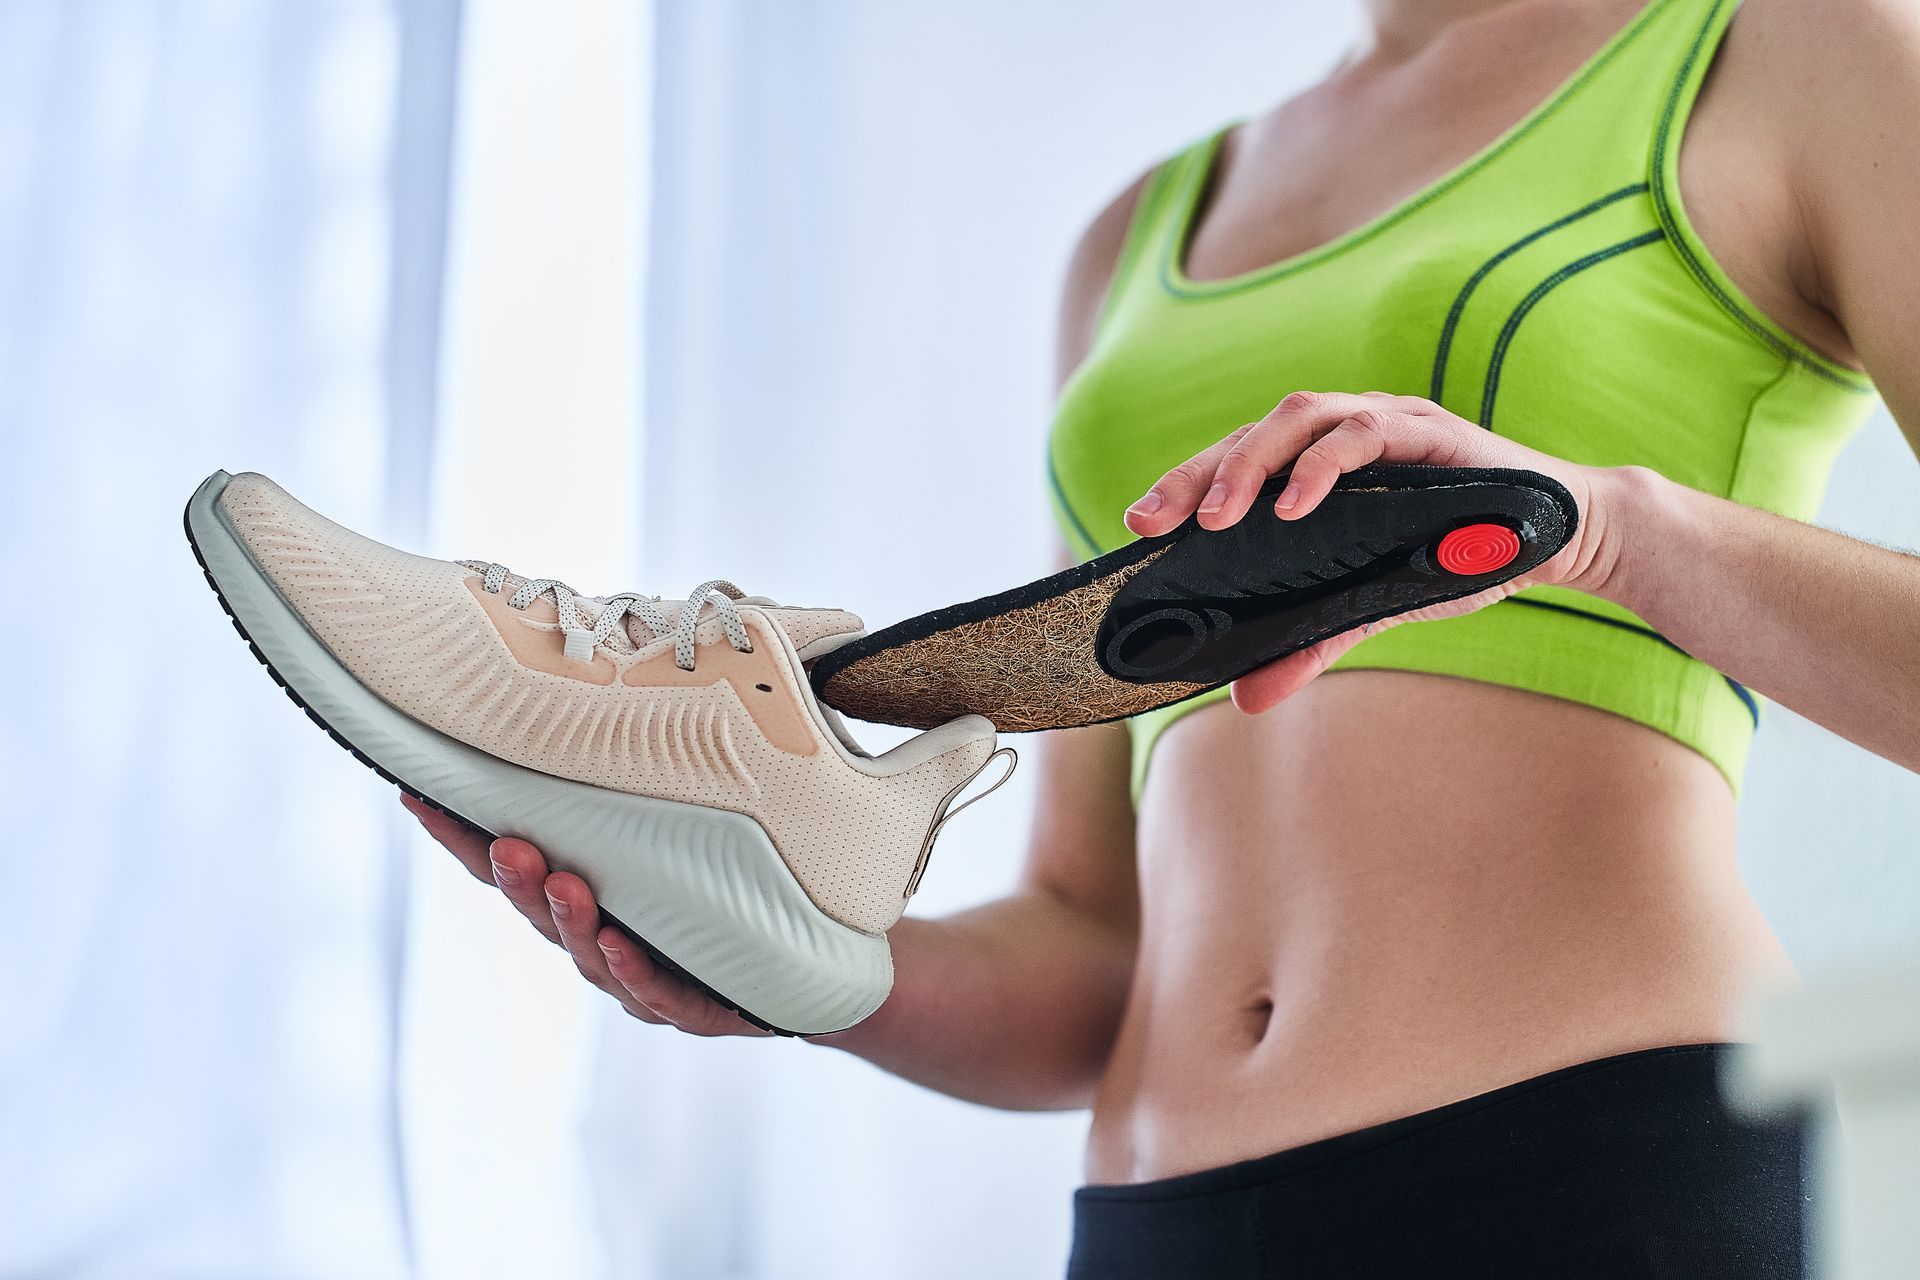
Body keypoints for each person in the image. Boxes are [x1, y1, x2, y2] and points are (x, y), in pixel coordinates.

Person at [407, 0, 1920, 1272]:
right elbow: (1089, 935)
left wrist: (1605, 528)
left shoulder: (1788, 50)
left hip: (1586, 1157)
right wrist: (807, 974)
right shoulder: (1136, 237)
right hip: (1161, 1214)